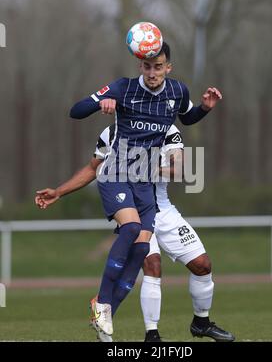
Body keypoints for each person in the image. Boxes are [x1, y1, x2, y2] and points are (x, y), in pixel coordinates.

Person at [68, 41, 222, 340]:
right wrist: (101, 103)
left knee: (194, 262)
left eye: (159, 66)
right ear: (141, 65)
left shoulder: (176, 97)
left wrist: (204, 108)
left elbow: (186, 125)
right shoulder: (122, 93)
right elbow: (76, 112)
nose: (152, 73)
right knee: (146, 255)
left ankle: (109, 311)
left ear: (168, 67)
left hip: (156, 200)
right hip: (124, 185)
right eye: (147, 66)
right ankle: (138, 326)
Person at [35, 122, 235, 343]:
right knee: (152, 265)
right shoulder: (111, 133)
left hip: (164, 210)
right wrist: (59, 192)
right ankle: (151, 334)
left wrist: (141, 167)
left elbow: (178, 171)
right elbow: (93, 169)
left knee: (203, 265)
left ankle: (201, 323)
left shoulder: (167, 129)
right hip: (133, 212)